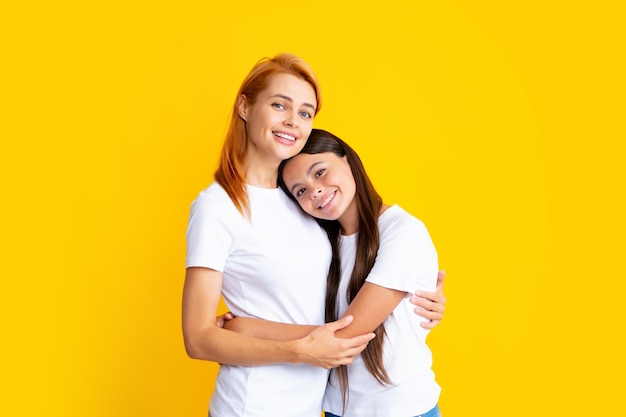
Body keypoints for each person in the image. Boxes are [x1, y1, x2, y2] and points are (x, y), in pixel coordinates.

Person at [182, 53, 446, 417]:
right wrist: (300, 348)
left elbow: (346, 286)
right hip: (253, 404)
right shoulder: (217, 207)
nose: (293, 120)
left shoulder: (301, 205)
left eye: (305, 112)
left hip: (313, 405)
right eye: (279, 105)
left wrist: (418, 299)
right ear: (245, 106)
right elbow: (197, 338)